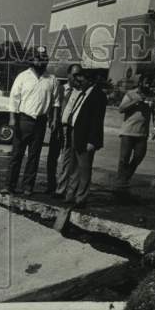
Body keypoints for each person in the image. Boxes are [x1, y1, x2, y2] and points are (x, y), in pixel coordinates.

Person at [6, 46, 56, 195]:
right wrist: (12, 118)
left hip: (41, 122)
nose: (40, 62)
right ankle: (10, 186)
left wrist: (53, 119)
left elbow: (56, 103)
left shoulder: (51, 80)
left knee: (34, 157)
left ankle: (28, 187)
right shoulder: (22, 77)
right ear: (32, 60)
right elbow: (14, 98)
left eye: (43, 59)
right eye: (38, 58)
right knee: (17, 155)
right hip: (23, 120)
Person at [61, 68, 107, 209]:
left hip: (86, 137)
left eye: (82, 80)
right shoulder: (83, 93)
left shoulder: (98, 96)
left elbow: (97, 121)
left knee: (84, 168)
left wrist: (92, 141)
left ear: (90, 80)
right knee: (73, 166)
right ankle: (70, 195)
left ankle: (81, 198)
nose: (79, 82)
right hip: (75, 133)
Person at [115, 74, 155, 192]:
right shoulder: (131, 94)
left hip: (143, 133)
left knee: (139, 156)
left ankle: (126, 177)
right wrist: (136, 101)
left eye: (150, 83)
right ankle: (120, 182)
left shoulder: (152, 95)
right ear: (140, 83)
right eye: (146, 82)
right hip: (128, 132)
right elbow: (121, 109)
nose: (148, 85)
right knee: (124, 158)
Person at [47, 63, 82, 195]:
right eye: (74, 75)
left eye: (79, 75)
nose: (76, 78)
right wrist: (52, 121)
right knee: (53, 157)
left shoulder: (80, 92)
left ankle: (62, 188)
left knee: (67, 159)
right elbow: (53, 106)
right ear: (68, 75)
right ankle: (51, 185)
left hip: (71, 129)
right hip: (57, 127)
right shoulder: (60, 89)